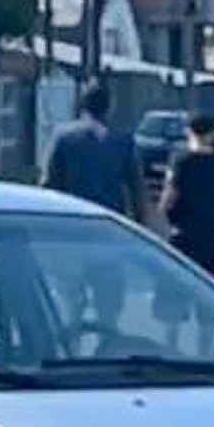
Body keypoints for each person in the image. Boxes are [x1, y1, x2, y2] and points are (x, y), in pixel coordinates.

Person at [42, 83, 142, 329]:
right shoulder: (123, 141)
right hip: (109, 228)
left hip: (70, 229)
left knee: (70, 298)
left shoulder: (63, 137)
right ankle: (108, 340)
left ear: (81, 105)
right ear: (109, 108)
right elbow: (136, 189)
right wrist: (139, 228)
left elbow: (48, 185)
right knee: (109, 299)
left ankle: (72, 343)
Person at [162, 113, 214, 283]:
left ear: (189, 133)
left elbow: (169, 201)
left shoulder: (182, 163)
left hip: (184, 242)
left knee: (180, 296)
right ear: (213, 134)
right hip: (213, 243)